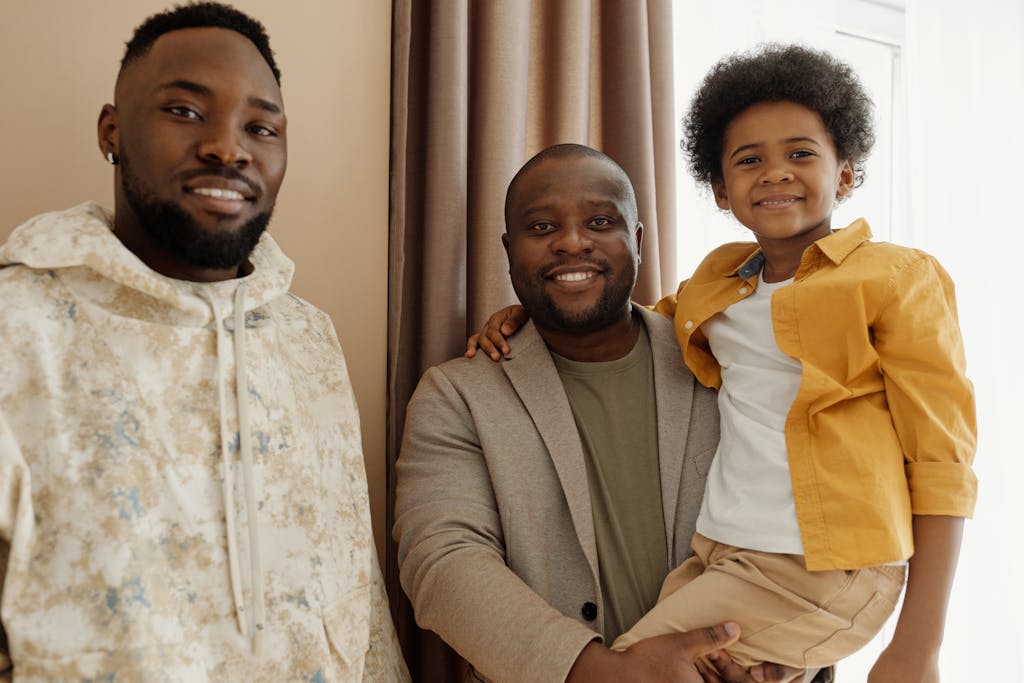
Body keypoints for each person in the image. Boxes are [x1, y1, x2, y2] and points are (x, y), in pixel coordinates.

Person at [472, 45, 977, 681]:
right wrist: (524, 316)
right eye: (748, 160)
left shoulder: (898, 279)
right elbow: (622, 316)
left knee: (629, 669)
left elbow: (942, 464)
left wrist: (919, 647)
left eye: (800, 153)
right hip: (721, 555)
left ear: (845, 173)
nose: (774, 173)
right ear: (719, 189)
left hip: (823, 569)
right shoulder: (719, 284)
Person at [0, 3, 408, 680]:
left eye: (261, 126)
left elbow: (355, 598)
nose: (228, 147)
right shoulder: (17, 329)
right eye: (185, 111)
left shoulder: (308, 336)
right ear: (111, 131)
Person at [396, 143, 824, 683]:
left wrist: (788, 660)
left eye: (600, 221)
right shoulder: (456, 395)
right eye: (542, 226)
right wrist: (604, 674)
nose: (572, 242)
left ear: (637, 241)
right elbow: (440, 562)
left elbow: (817, 503)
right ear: (509, 249)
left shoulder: (724, 358)